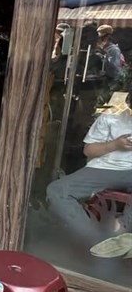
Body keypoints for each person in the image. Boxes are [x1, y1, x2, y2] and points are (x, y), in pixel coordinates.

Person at [47, 91, 132, 246]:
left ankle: (122, 226)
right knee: (57, 190)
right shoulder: (111, 115)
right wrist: (115, 145)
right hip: (103, 169)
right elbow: (88, 150)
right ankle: (95, 241)